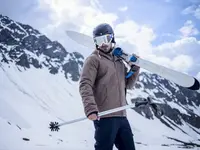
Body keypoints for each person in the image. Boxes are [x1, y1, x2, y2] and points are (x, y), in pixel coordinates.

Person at [79, 23, 140, 150]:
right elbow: (85, 84)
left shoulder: (119, 61)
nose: (103, 44)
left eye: (106, 39)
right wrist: (90, 108)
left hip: (122, 116)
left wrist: (135, 69)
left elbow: (128, 85)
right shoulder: (93, 59)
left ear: (112, 38)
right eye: (99, 40)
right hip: (104, 116)